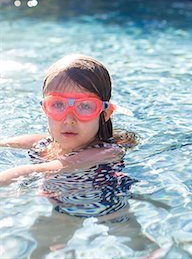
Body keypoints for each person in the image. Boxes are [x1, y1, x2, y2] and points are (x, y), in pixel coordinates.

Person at [0, 54, 159, 257]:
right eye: (57, 104)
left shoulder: (106, 151)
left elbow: (42, 169)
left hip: (108, 208)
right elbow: (29, 140)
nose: (69, 119)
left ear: (105, 113)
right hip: (64, 207)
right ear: (45, 108)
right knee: (39, 244)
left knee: (139, 245)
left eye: (85, 106)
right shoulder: (51, 142)